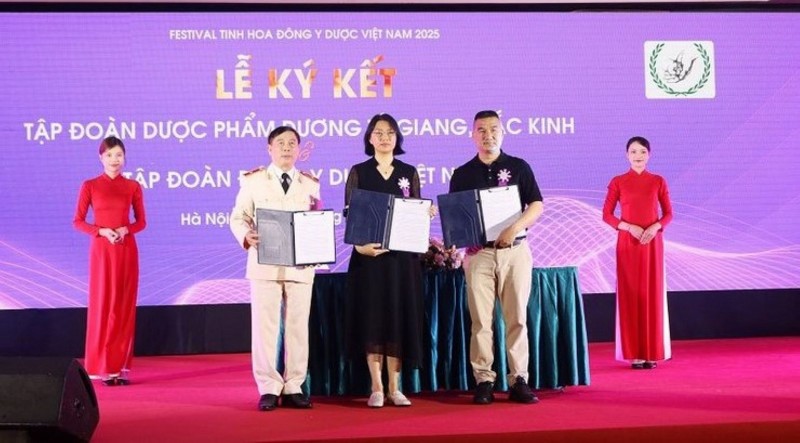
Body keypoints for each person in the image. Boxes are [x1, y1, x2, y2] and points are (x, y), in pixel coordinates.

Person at [449, 110, 544, 405]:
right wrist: (464, 239)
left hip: (515, 252)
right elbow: (457, 216)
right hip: (479, 255)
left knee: (517, 318)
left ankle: (519, 379)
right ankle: (484, 380)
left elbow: (536, 204)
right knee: (481, 321)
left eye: (493, 129)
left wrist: (514, 227)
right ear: (472, 135)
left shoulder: (518, 167)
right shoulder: (462, 173)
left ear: (502, 132)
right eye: (481, 130)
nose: (487, 135)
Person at [229, 126, 321, 411]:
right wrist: (246, 235)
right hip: (264, 264)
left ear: (299, 149)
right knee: (265, 328)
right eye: (280, 143)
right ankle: (268, 387)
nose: (286, 148)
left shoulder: (310, 183)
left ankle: (294, 385)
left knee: (297, 327)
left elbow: (315, 221)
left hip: (300, 266)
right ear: (269, 149)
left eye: (292, 143)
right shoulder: (254, 181)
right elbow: (238, 217)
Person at [344, 113, 431, 408]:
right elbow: (351, 215)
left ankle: (396, 387)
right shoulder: (359, 171)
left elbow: (415, 213)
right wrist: (360, 247)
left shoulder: (409, 172)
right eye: (378, 133)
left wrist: (425, 213)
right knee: (373, 318)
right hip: (369, 260)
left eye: (390, 133)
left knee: (398, 317)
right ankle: (377, 387)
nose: (384, 138)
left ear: (397, 138)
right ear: (369, 138)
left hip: (402, 262)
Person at [72, 136, 146, 386]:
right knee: (103, 305)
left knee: (123, 308)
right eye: (109, 155)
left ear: (125, 157)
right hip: (102, 252)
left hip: (126, 251)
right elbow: (78, 221)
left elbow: (141, 222)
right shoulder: (90, 185)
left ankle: (119, 368)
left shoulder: (133, 186)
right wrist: (101, 231)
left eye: (119, 155)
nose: (115, 160)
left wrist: (126, 229)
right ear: (101, 158)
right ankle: (101, 367)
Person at [602, 136, 673, 370]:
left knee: (652, 295)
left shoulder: (658, 181)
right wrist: (629, 227)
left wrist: (655, 227)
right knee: (631, 296)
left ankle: (652, 352)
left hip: (652, 244)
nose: (638, 156)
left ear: (649, 154)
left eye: (642, 151)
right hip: (628, 244)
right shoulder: (618, 181)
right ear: (627, 155)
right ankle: (634, 353)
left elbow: (669, 214)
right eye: (633, 152)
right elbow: (607, 215)